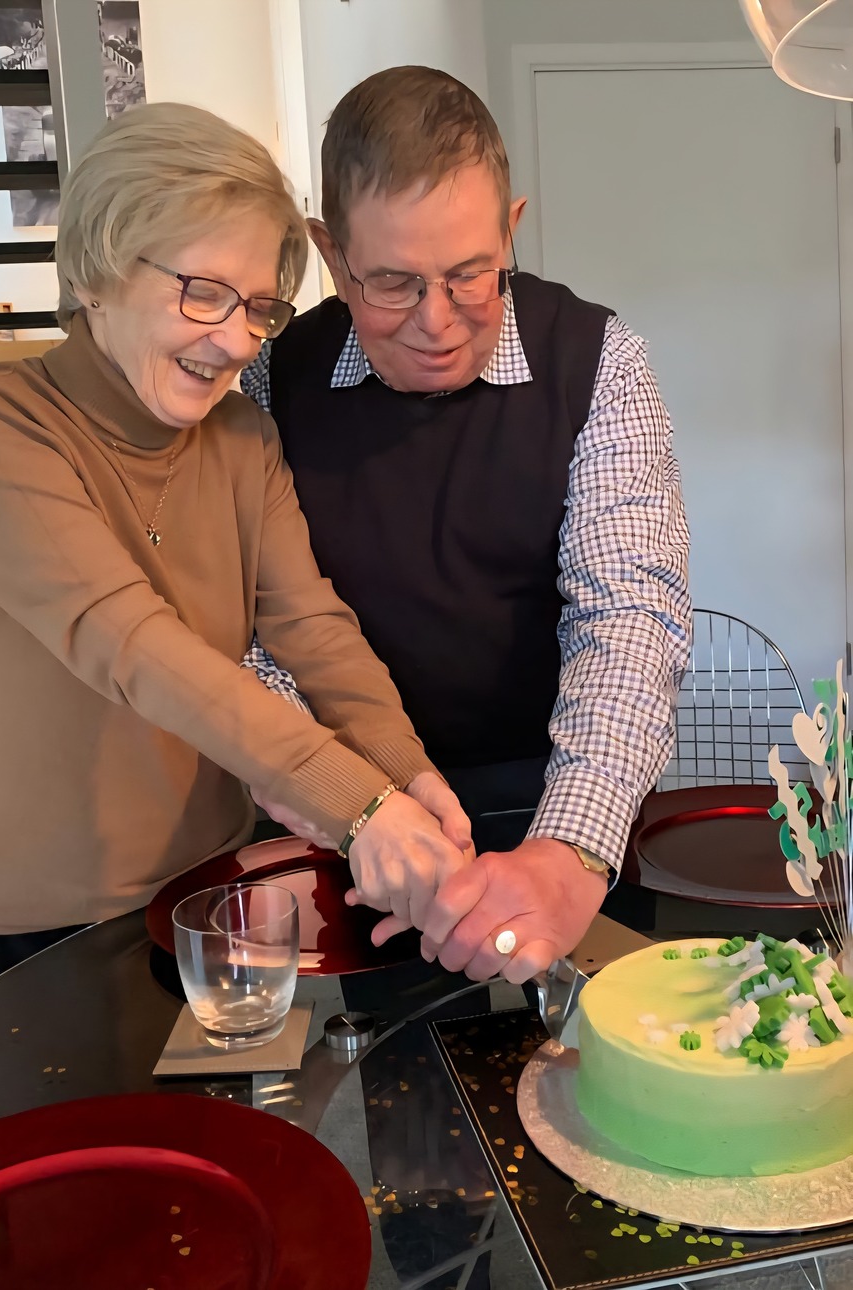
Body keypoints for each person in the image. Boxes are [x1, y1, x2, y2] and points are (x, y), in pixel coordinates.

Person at [0, 101, 472, 1020]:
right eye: (203, 293)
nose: (236, 340)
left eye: (260, 308)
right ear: (98, 270)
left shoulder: (241, 436)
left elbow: (314, 630)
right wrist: (360, 804)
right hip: (12, 919)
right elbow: (128, 643)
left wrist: (410, 777)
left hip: (209, 895)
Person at [242, 67, 692, 984]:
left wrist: (570, 848)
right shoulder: (266, 385)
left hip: (553, 801)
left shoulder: (600, 362)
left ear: (511, 230)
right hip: (346, 826)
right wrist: (358, 807)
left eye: (470, 275)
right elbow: (247, 638)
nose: (436, 323)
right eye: (395, 284)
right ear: (332, 255)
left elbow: (628, 621)